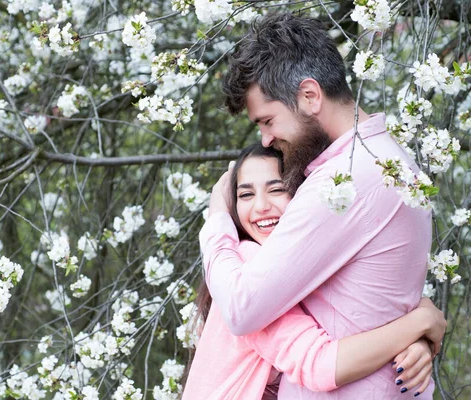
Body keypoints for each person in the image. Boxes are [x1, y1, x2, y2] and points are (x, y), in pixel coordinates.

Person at [201, 13, 440, 399]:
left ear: (310, 96)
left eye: (267, 120)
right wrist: (421, 324)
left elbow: (242, 308)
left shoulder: (342, 184)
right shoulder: (390, 160)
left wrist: (216, 220)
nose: (264, 140)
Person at [182, 144, 444, 399]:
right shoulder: (249, 265)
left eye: (277, 189)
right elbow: (319, 365)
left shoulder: (299, 266)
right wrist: (420, 323)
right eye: (246, 195)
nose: (261, 206)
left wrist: (417, 343)